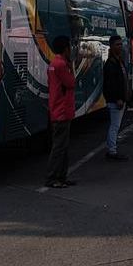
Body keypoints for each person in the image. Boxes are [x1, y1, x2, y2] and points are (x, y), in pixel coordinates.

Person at [46, 35, 77, 188]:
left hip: (57, 109)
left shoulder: (53, 63)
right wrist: (71, 68)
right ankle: (53, 178)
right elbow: (71, 83)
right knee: (59, 147)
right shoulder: (61, 65)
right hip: (62, 111)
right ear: (66, 49)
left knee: (62, 147)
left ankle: (61, 177)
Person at [102, 35, 129, 161]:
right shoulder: (111, 64)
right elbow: (111, 84)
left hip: (121, 99)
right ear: (111, 46)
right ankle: (112, 150)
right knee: (114, 126)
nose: (120, 46)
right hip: (115, 101)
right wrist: (117, 98)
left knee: (116, 126)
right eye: (117, 44)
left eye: (120, 44)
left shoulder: (119, 61)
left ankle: (112, 148)